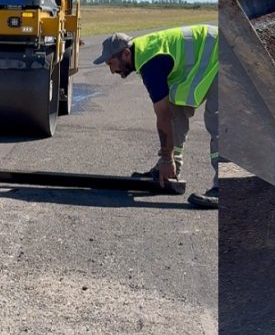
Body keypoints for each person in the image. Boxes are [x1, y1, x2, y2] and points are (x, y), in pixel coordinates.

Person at [93, 26, 219, 209]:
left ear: (126, 54)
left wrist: (166, 157)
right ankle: (168, 172)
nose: (112, 71)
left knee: (218, 124)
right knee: (177, 108)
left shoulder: (150, 63)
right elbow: (171, 114)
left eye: (111, 63)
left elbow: (163, 115)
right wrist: (167, 161)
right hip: (203, 61)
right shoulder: (145, 52)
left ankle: (221, 188)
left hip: (222, 55)